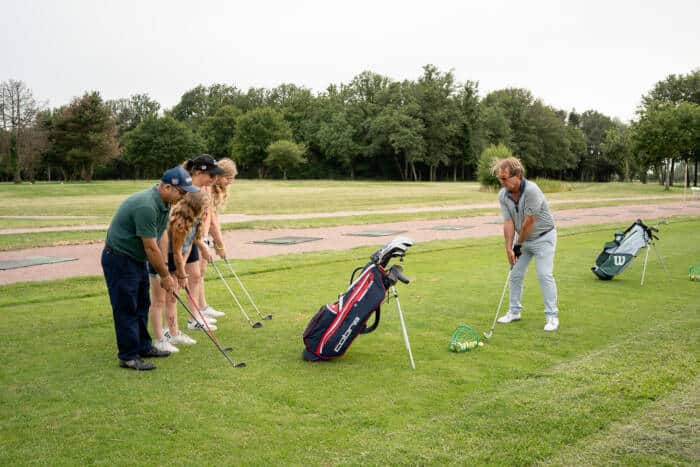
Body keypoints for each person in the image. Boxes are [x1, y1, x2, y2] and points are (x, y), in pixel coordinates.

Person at [101, 166, 199, 370]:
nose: (182, 197)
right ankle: (128, 356)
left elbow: (161, 236)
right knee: (126, 307)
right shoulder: (147, 205)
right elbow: (149, 245)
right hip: (119, 259)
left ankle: (144, 346)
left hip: (136, 259)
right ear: (166, 187)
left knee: (142, 304)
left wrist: (163, 266)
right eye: (180, 192)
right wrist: (164, 275)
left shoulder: (165, 203)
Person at [493, 157, 560, 332]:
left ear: (518, 175)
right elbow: (508, 222)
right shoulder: (503, 195)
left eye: (505, 178)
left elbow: (529, 222)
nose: (502, 182)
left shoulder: (532, 191)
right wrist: (509, 247)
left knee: (544, 275)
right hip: (523, 240)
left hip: (544, 238)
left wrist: (518, 245)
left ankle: (552, 316)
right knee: (515, 274)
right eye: (500, 178)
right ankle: (514, 311)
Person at [148, 190, 212, 353]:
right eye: (205, 207)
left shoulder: (196, 221)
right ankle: (159, 340)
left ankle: (173, 333)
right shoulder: (179, 223)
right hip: (161, 259)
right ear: (196, 206)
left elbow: (189, 244)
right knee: (159, 300)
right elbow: (175, 251)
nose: (207, 211)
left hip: (176, 259)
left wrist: (202, 249)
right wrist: (181, 274)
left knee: (172, 298)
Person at [191, 157, 238, 323]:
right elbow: (210, 221)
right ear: (218, 176)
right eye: (228, 178)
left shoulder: (213, 190)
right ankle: (195, 315)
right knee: (195, 275)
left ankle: (202, 307)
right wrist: (219, 244)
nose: (230, 182)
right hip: (196, 236)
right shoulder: (206, 189)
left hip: (202, 236)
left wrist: (218, 243)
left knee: (200, 273)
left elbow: (214, 219)